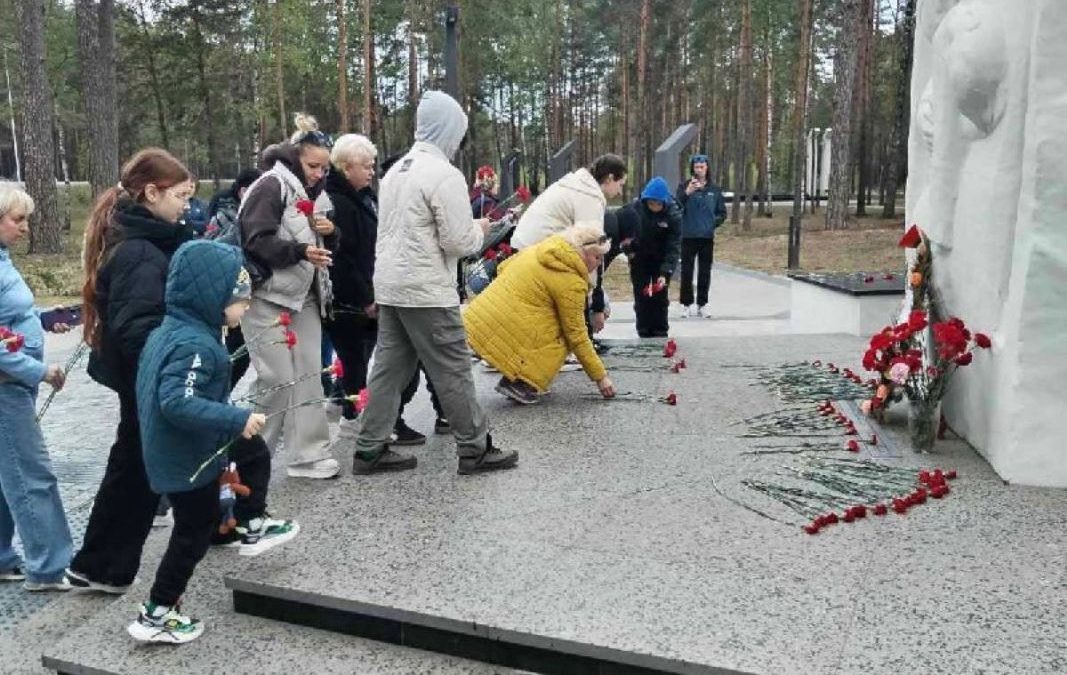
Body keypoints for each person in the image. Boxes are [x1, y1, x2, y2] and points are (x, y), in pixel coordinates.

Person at [351, 90, 518, 476]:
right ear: (449, 130)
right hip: (426, 288)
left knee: (388, 369)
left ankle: (369, 448)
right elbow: (458, 242)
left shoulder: (397, 170)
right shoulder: (443, 174)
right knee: (453, 368)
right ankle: (475, 448)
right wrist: (480, 230)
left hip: (391, 284)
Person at [69, 149, 196, 593]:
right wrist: (168, 371)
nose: (186, 207)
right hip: (145, 376)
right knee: (135, 470)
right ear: (152, 193)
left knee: (133, 466)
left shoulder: (147, 239)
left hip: (141, 375)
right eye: (180, 197)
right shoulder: (139, 251)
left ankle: (100, 565)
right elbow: (138, 326)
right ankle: (104, 566)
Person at [129, 241, 269, 643]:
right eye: (240, 300)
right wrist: (235, 419)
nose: (246, 308)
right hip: (185, 456)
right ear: (213, 299)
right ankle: (156, 613)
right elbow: (177, 402)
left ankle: (252, 521)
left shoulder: (176, 331)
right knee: (192, 533)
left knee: (251, 456)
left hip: (184, 448)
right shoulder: (195, 344)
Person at [322, 133, 445, 446]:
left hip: (369, 291)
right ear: (346, 167)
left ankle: (369, 419)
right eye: (366, 165)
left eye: (372, 165)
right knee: (357, 363)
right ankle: (357, 423)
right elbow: (342, 259)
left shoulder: (363, 198)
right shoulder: (338, 202)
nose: (371, 171)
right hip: (350, 300)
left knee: (370, 362)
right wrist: (365, 297)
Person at [239, 113, 341, 479]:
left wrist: (331, 232)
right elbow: (256, 240)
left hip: (305, 295)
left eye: (324, 168)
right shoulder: (270, 186)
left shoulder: (318, 193)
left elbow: (326, 245)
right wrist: (299, 251)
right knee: (276, 378)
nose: (319, 174)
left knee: (309, 375)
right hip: (266, 295)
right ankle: (248, 459)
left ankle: (309, 454)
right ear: (295, 157)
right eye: (313, 166)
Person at [0, 183, 74, 592]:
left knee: (7, 475)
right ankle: (48, 566)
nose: (25, 227)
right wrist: (39, 371)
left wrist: (41, 318)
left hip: (14, 382)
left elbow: (9, 315)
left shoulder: (3, 259)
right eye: (18, 219)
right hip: (8, 385)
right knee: (32, 476)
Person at [464, 222, 617, 405]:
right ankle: (522, 384)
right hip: (501, 323)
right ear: (583, 252)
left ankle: (511, 372)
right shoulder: (571, 281)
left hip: (477, 317)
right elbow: (576, 334)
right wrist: (601, 378)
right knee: (563, 336)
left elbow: (502, 267)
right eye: (597, 257)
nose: (599, 263)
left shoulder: (542, 248)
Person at [204, 168, 263, 387]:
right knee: (238, 352)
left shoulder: (254, 213)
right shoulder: (225, 216)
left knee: (242, 352)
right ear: (244, 191)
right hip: (231, 290)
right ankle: (217, 392)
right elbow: (211, 245)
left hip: (247, 288)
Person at [510, 154, 627, 250]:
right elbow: (590, 249)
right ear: (609, 178)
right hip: (533, 255)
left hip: (522, 248)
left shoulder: (576, 185)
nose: (620, 192)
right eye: (620, 185)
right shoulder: (590, 196)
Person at [616, 177, 682, 338]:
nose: (654, 207)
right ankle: (643, 329)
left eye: (658, 204)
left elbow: (673, 247)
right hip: (639, 257)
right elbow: (622, 231)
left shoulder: (673, 215)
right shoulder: (634, 210)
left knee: (660, 296)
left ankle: (660, 330)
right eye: (651, 203)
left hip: (661, 259)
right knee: (642, 294)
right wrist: (629, 251)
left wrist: (666, 272)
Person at [676, 154, 727, 318]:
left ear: (707, 168)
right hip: (688, 236)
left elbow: (722, 213)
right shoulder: (684, 186)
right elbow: (675, 206)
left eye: (702, 167)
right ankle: (686, 304)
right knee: (686, 271)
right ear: (692, 168)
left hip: (706, 237)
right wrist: (687, 193)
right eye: (696, 167)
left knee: (705, 272)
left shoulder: (714, 189)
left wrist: (712, 223)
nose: (699, 170)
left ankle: (702, 304)